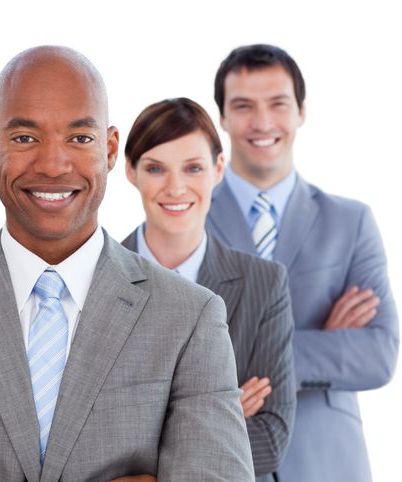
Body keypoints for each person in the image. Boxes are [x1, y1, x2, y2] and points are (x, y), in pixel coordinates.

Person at [0, 45, 254, 482]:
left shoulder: (190, 317)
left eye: (80, 138)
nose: (53, 164)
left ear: (110, 148)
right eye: (25, 138)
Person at [207, 44, 399, 482]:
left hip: (329, 462)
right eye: (243, 106)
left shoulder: (351, 222)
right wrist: (325, 344)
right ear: (222, 117)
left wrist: (258, 359)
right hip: (225, 460)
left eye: (277, 104)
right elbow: (172, 360)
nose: (262, 123)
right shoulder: (185, 226)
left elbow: (379, 353)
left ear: (301, 111)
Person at [120, 97, 295, 481]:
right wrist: (217, 418)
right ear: (131, 172)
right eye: (155, 168)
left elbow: (271, 438)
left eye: (193, 168)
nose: (176, 188)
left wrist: (144, 447)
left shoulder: (263, 285)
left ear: (219, 169)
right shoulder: (92, 278)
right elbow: (78, 438)